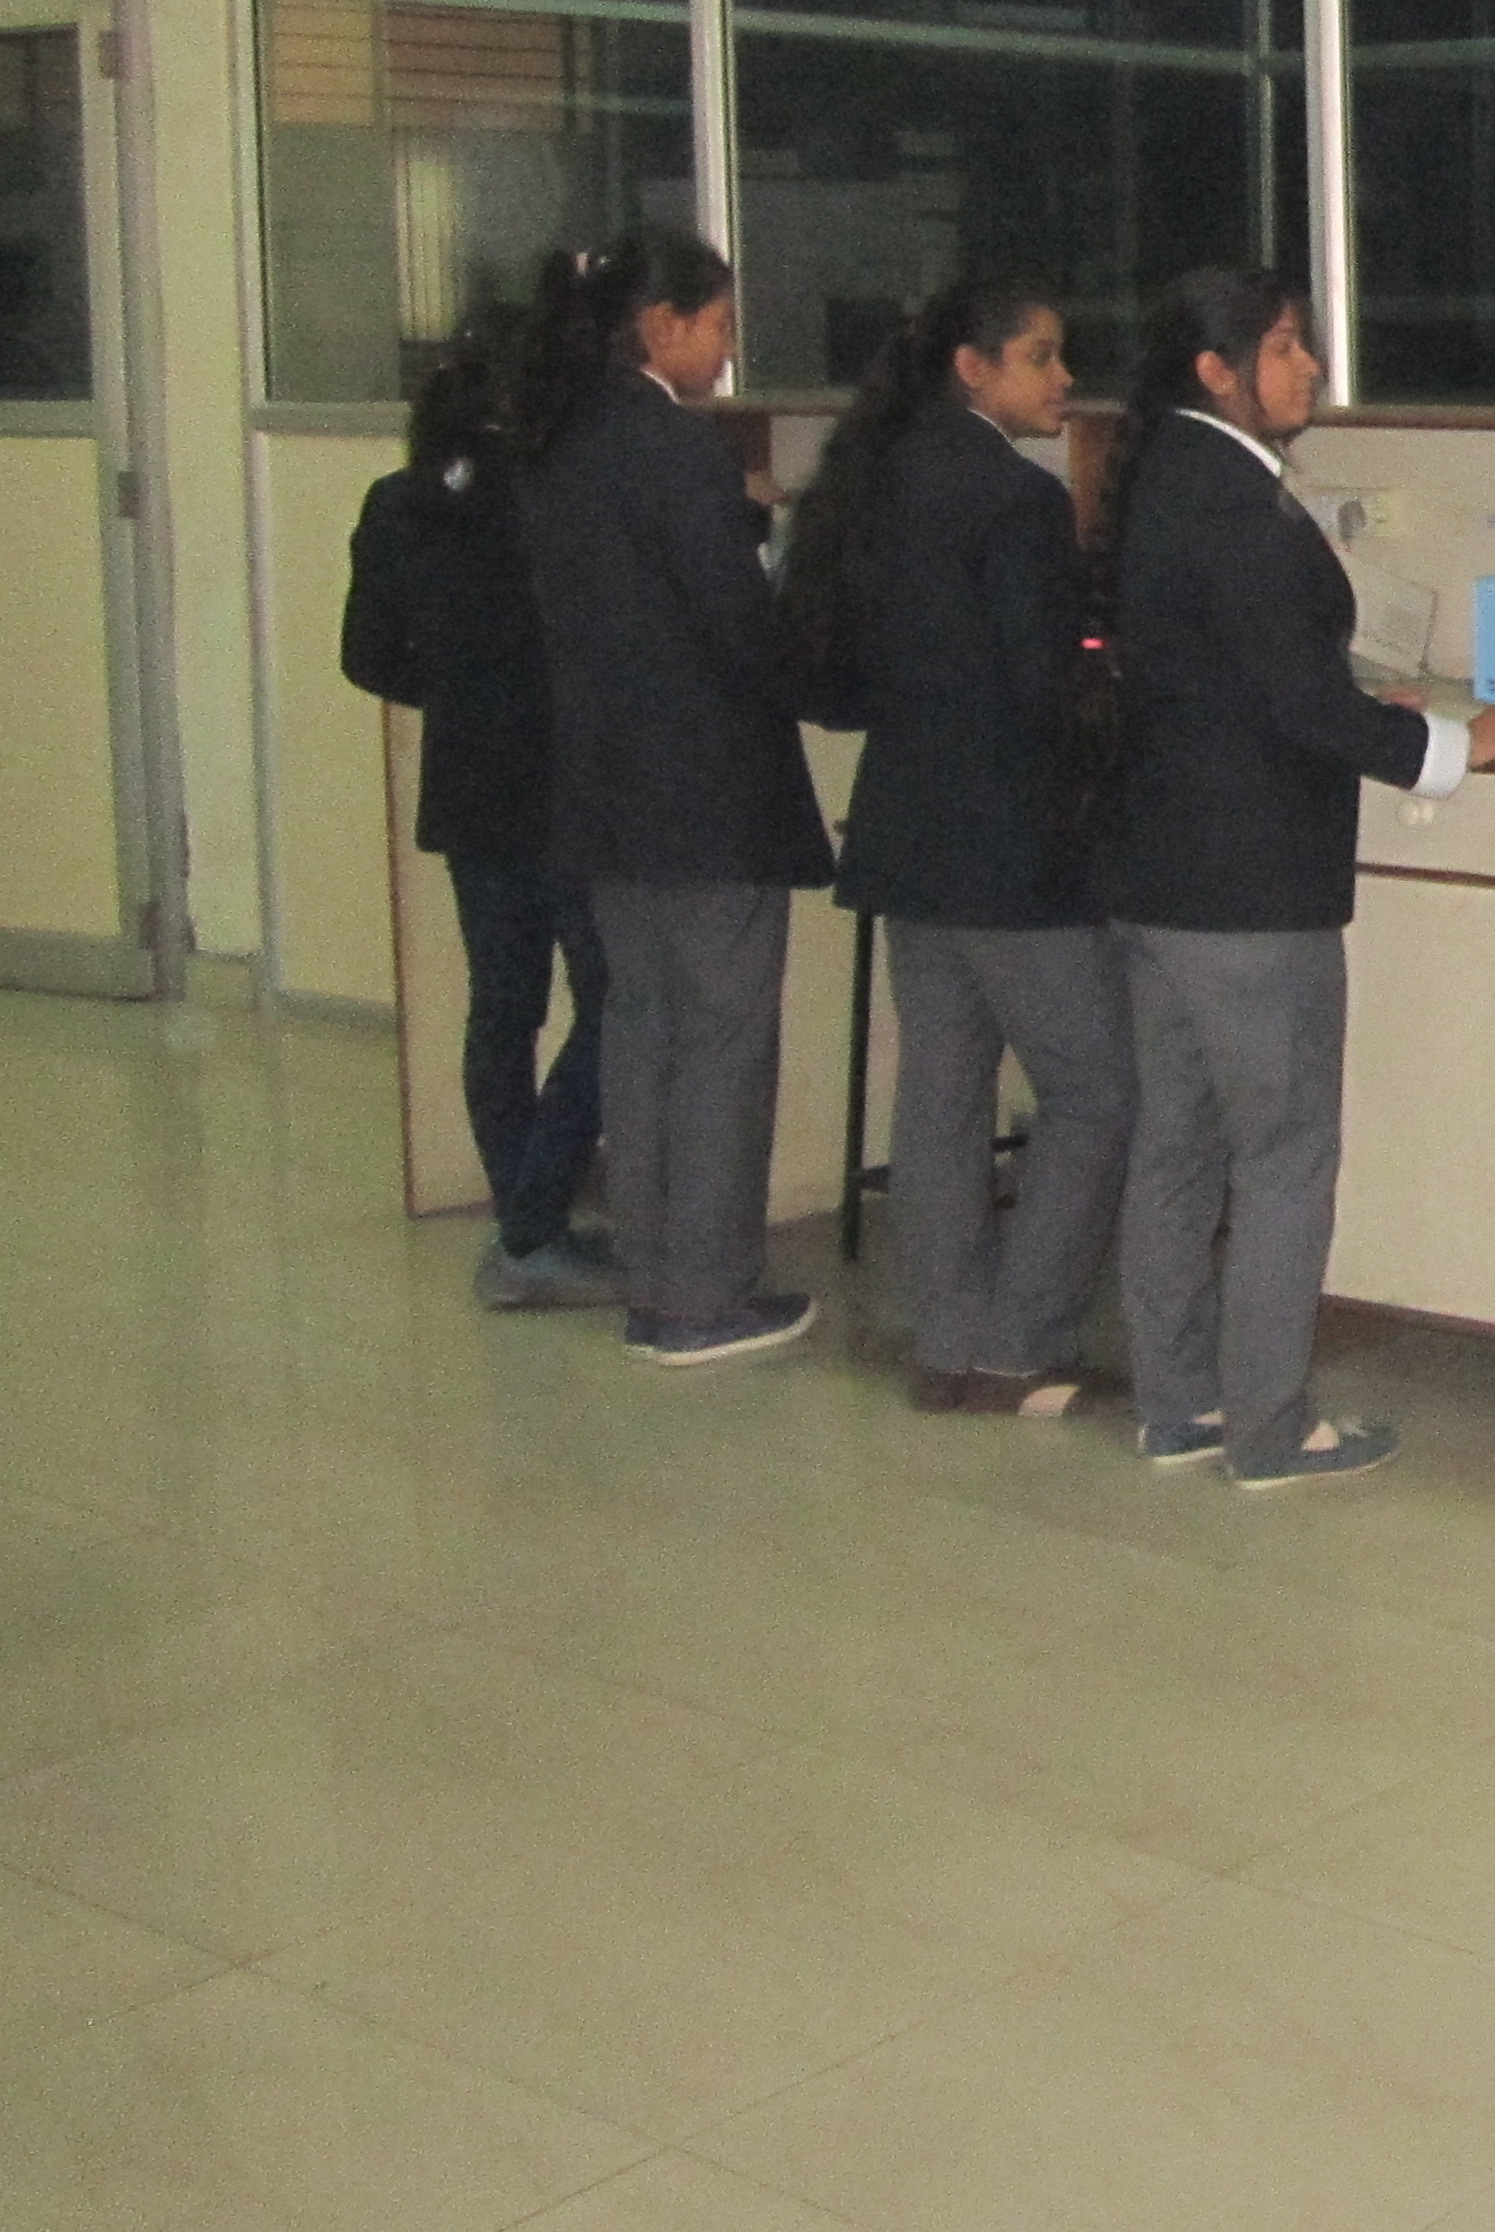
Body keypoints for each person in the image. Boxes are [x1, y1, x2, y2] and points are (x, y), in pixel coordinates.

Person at [1094, 263, 1495, 1488]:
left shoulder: (1169, 477)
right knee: (1281, 1154)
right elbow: (1298, 702)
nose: (1312, 367)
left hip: (1160, 878)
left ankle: (1178, 1402)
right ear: (1214, 370)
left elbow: (1252, 675)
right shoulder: (1229, 499)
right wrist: (1455, 748)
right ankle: (1271, 1428)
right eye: (1284, 348)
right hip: (1249, 887)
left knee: (1177, 1146)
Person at [779, 280, 1131, 1419]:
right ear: (972, 369)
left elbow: (827, 674)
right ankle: (1021, 1340)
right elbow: (1046, 687)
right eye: (1040, 358)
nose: (1063, 379)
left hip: (906, 834)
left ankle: (949, 1337)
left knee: (940, 1090)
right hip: (1012, 848)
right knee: (1096, 1091)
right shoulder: (1017, 501)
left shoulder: (868, 482)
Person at [512, 227, 831, 1371]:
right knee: (723, 1051)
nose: (728, 350)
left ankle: (652, 1278)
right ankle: (705, 1296)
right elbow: (736, 625)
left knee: (640, 1040)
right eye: (720, 325)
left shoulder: (557, 441)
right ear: (661, 326)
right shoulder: (677, 450)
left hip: (607, 797)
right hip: (709, 799)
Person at [341, 311, 618, 1311]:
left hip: (468, 787)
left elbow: (367, 657)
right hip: (567, 788)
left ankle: (524, 1225)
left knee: (503, 1007)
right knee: (615, 1000)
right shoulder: (558, 494)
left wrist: (460, 698)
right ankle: (532, 1220)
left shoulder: (399, 500)